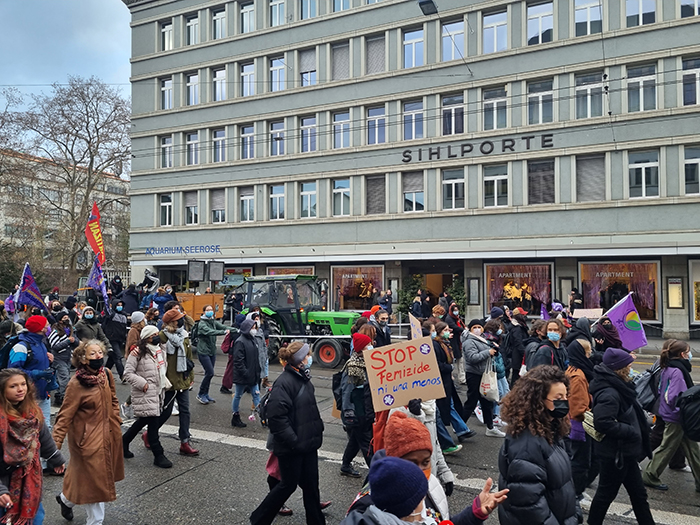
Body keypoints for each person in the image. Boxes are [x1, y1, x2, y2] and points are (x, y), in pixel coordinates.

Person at [349, 411, 508, 523]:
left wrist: (474, 513)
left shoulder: (431, 483)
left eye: (425, 462)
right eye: (411, 463)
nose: (420, 471)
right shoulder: (370, 504)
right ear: (394, 461)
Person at [249, 342, 325, 525]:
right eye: (307, 356)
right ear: (299, 360)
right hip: (293, 447)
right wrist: (295, 441)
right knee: (287, 486)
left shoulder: (303, 378)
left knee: (311, 487)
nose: (309, 359)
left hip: (307, 444)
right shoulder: (285, 383)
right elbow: (277, 419)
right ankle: (258, 519)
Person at [53, 340, 124, 525]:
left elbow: (114, 400)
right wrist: (54, 447)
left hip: (108, 435)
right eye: (93, 354)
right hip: (87, 442)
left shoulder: (106, 374)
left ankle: (64, 499)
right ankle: (95, 522)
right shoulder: (76, 383)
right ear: (83, 359)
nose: (98, 356)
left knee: (89, 479)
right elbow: (64, 415)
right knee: (96, 484)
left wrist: (115, 418)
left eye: (100, 352)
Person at [498, 365, 579, 525]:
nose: (564, 402)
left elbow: (564, 483)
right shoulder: (527, 444)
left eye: (565, 396)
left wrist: (574, 513)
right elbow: (529, 504)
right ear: (538, 400)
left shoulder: (551, 430)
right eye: (557, 398)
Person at [587, 348, 655, 525]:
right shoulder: (610, 392)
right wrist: (631, 430)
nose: (631, 368)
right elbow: (603, 422)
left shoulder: (619, 386)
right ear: (620, 369)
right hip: (615, 454)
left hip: (624, 453)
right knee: (605, 495)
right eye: (629, 365)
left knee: (639, 495)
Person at [0, 369, 65, 525]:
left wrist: (56, 459)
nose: (20, 389)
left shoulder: (32, 411)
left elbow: (44, 438)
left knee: (35, 518)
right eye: (13, 386)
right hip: (4, 478)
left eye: (23, 384)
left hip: (29, 479)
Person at [642, 339, 700, 492]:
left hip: (674, 415)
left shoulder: (668, 367)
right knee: (667, 447)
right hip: (677, 416)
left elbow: (663, 392)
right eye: (688, 352)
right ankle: (649, 474)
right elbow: (674, 396)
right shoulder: (678, 371)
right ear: (682, 354)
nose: (690, 354)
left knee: (692, 449)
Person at [122, 325, 173, 468]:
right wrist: (143, 384)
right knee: (153, 423)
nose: (156, 337)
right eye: (153, 335)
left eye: (157, 334)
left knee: (144, 420)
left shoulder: (160, 349)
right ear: (146, 338)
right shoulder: (137, 352)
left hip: (159, 390)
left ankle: (124, 441)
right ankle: (158, 454)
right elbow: (128, 373)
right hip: (146, 391)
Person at [154, 308, 199, 457]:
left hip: (183, 380)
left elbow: (189, 358)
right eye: (179, 319)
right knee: (165, 412)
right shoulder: (161, 337)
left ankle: (184, 442)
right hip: (169, 381)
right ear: (173, 322)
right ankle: (150, 433)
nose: (182, 321)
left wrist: (191, 376)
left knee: (185, 411)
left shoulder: (184, 336)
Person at [8, 315, 56, 436]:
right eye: (47, 326)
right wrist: (35, 374)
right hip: (27, 397)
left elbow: (38, 362)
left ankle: (44, 455)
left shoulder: (41, 343)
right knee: (28, 431)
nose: (49, 328)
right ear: (40, 329)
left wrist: (49, 359)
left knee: (46, 430)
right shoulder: (21, 347)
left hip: (43, 394)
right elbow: (12, 372)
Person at [460, 319, 505, 437]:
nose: (477, 329)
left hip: (483, 373)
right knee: (472, 401)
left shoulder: (483, 339)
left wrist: (493, 350)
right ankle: (460, 426)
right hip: (474, 374)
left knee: (487, 401)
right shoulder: (469, 341)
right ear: (470, 329)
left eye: (479, 327)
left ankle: (490, 427)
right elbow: (472, 358)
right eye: (474, 327)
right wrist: (488, 352)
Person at [431, 321, 475, 442]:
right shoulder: (436, 345)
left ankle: (462, 430)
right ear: (439, 331)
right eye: (445, 330)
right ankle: (461, 430)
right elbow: (437, 364)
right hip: (441, 381)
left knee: (449, 405)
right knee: (447, 406)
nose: (448, 331)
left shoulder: (445, 344)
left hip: (446, 380)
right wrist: (449, 368)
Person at [565, 338, 596, 505]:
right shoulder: (578, 375)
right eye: (587, 351)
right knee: (581, 461)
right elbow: (578, 407)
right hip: (579, 424)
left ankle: (578, 490)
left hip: (576, 422)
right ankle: (576, 494)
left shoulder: (576, 370)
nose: (590, 354)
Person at [340, 331, 375, 477]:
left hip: (365, 409)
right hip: (358, 413)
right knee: (366, 443)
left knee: (355, 440)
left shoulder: (367, 363)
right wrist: (349, 415)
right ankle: (377, 473)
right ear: (361, 349)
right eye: (368, 345)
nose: (371, 346)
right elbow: (347, 392)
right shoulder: (353, 367)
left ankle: (345, 465)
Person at [195, 305, 230, 405]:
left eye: (211, 310)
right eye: (207, 310)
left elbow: (224, 326)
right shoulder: (202, 324)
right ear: (204, 312)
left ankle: (206, 394)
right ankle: (200, 394)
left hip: (211, 351)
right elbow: (211, 332)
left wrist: (235, 329)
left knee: (209, 374)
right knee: (210, 373)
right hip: (203, 351)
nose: (210, 311)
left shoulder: (213, 321)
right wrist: (223, 332)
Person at [231, 318, 262, 428]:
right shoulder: (240, 341)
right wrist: (246, 373)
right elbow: (238, 361)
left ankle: (262, 417)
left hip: (252, 375)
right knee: (238, 395)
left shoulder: (252, 340)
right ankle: (235, 416)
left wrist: (257, 372)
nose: (254, 329)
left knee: (256, 395)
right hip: (244, 375)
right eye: (253, 328)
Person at [48, 311, 80, 407]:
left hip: (67, 358)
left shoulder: (70, 329)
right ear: (60, 320)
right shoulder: (55, 331)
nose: (66, 319)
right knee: (64, 378)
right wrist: (67, 341)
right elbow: (54, 346)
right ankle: (62, 397)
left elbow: (76, 342)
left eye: (67, 317)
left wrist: (74, 341)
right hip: (58, 358)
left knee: (61, 378)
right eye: (64, 318)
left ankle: (59, 395)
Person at [102, 299, 128, 381]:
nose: (119, 307)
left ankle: (103, 373)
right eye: (118, 305)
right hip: (112, 339)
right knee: (118, 356)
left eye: (121, 305)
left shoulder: (124, 316)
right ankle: (122, 374)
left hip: (120, 339)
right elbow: (107, 311)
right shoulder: (111, 315)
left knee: (112, 359)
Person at [221, 313, 245, 394]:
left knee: (231, 369)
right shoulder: (237, 330)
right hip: (235, 352)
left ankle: (225, 385)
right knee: (231, 370)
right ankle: (225, 386)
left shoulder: (233, 327)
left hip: (234, 352)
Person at [444, 302, 466, 385]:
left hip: (457, 342)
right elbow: (455, 327)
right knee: (454, 360)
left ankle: (461, 378)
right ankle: (456, 377)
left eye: (457, 310)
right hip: (453, 342)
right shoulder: (449, 319)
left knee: (459, 360)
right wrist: (464, 330)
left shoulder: (457, 318)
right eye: (455, 310)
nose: (456, 312)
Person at [507, 308, 529, 386]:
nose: (525, 316)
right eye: (523, 315)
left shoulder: (517, 326)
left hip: (517, 354)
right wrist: (525, 353)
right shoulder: (517, 328)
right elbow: (518, 342)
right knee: (516, 376)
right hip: (518, 355)